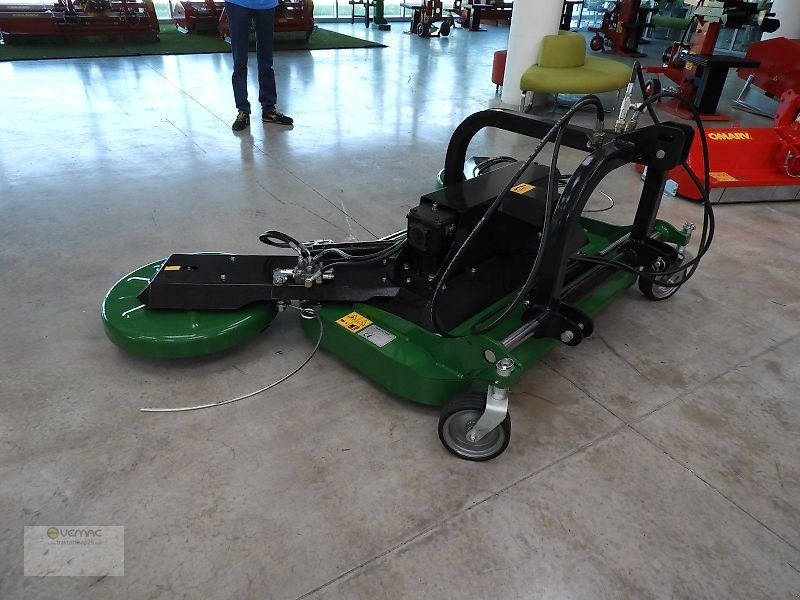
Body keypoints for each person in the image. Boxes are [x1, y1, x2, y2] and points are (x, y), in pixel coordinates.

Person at [226, 0, 293, 131]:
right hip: (237, 4)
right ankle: (243, 111)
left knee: (266, 60)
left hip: (266, 5)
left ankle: (269, 109)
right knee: (240, 60)